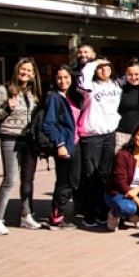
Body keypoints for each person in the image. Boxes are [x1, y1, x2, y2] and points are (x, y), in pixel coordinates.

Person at [0, 57, 42, 235]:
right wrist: (6, 110)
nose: (25, 73)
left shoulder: (33, 93)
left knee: (27, 180)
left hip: (29, 140)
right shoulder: (3, 90)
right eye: (22, 69)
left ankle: (26, 216)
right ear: (17, 70)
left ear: (33, 75)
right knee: (10, 179)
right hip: (10, 137)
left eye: (29, 71)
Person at [76, 57, 121, 227]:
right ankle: (89, 213)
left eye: (107, 67)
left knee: (104, 175)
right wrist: (94, 63)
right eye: (100, 68)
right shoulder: (90, 87)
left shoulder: (116, 85)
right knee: (90, 175)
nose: (104, 70)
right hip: (92, 135)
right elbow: (83, 78)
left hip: (109, 134)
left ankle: (102, 211)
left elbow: (138, 77)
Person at [42, 64, 81, 228]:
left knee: (74, 180)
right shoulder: (54, 97)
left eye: (66, 77)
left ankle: (63, 211)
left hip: (77, 143)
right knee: (65, 181)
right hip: (65, 146)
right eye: (59, 77)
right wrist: (60, 144)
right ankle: (56, 216)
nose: (63, 80)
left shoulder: (71, 96)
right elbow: (49, 124)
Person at [104, 124, 139, 231]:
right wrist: (138, 201)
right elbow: (120, 182)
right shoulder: (122, 155)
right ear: (134, 137)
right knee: (129, 207)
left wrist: (136, 191)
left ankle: (136, 216)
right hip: (118, 192)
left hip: (137, 191)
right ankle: (114, 214)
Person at [115, 60, 139, 149]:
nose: (133, 77)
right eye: (130, 74)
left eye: (137, 74)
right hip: (121, 134)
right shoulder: (119, 89)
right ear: (125, 75)